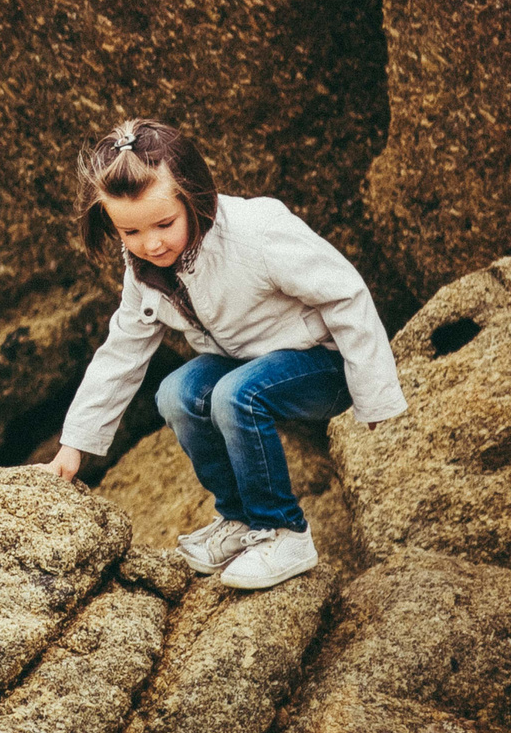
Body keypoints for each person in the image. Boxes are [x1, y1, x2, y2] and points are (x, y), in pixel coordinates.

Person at [41, 118, 405, 590]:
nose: (150, 243)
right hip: (247, 361)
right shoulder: (145, 270)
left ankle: (283, 532)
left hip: (323, 361)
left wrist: (374, 393)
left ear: (197, 197)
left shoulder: (255, 233)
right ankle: (239, 521)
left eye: (164, 224)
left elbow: (345, 294)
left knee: (235, 394)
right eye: (130, 232)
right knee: (175, 393)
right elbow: (121, 353)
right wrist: (75, 447)